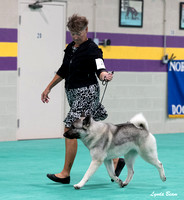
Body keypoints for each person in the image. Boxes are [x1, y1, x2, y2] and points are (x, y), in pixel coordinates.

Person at [41, 14, 125, 184]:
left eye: (78, 33)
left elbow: (99, 67)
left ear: (86, 30)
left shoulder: (92, 48)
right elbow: (64, 70)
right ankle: (116, 159)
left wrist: (104, 75)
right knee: (88, 131)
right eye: (72, 33)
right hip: (73, 93)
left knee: (70, 128)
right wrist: (48, 87)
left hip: (87, 92)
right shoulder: (71, 48)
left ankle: (65, 173)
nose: (75, 36)